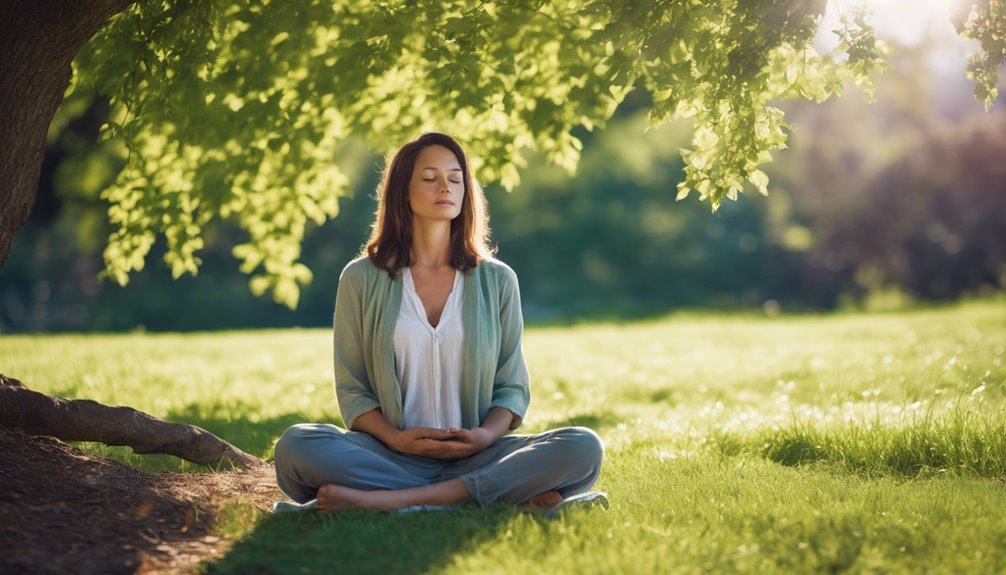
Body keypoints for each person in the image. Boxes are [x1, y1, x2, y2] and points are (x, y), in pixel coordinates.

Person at [273, 132, 604, 513]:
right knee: (298, 445)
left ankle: (396, 501)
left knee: (583, 446)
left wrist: (483, 437)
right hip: (390, 456)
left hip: (479, 456)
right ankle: (483, 496)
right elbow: (353, 390)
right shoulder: (360, 278)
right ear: (403, 192)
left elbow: (511, 388)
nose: (445, 186)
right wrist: (396, 440)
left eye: (456, 178)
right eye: (430, 178)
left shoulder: (497, 280)